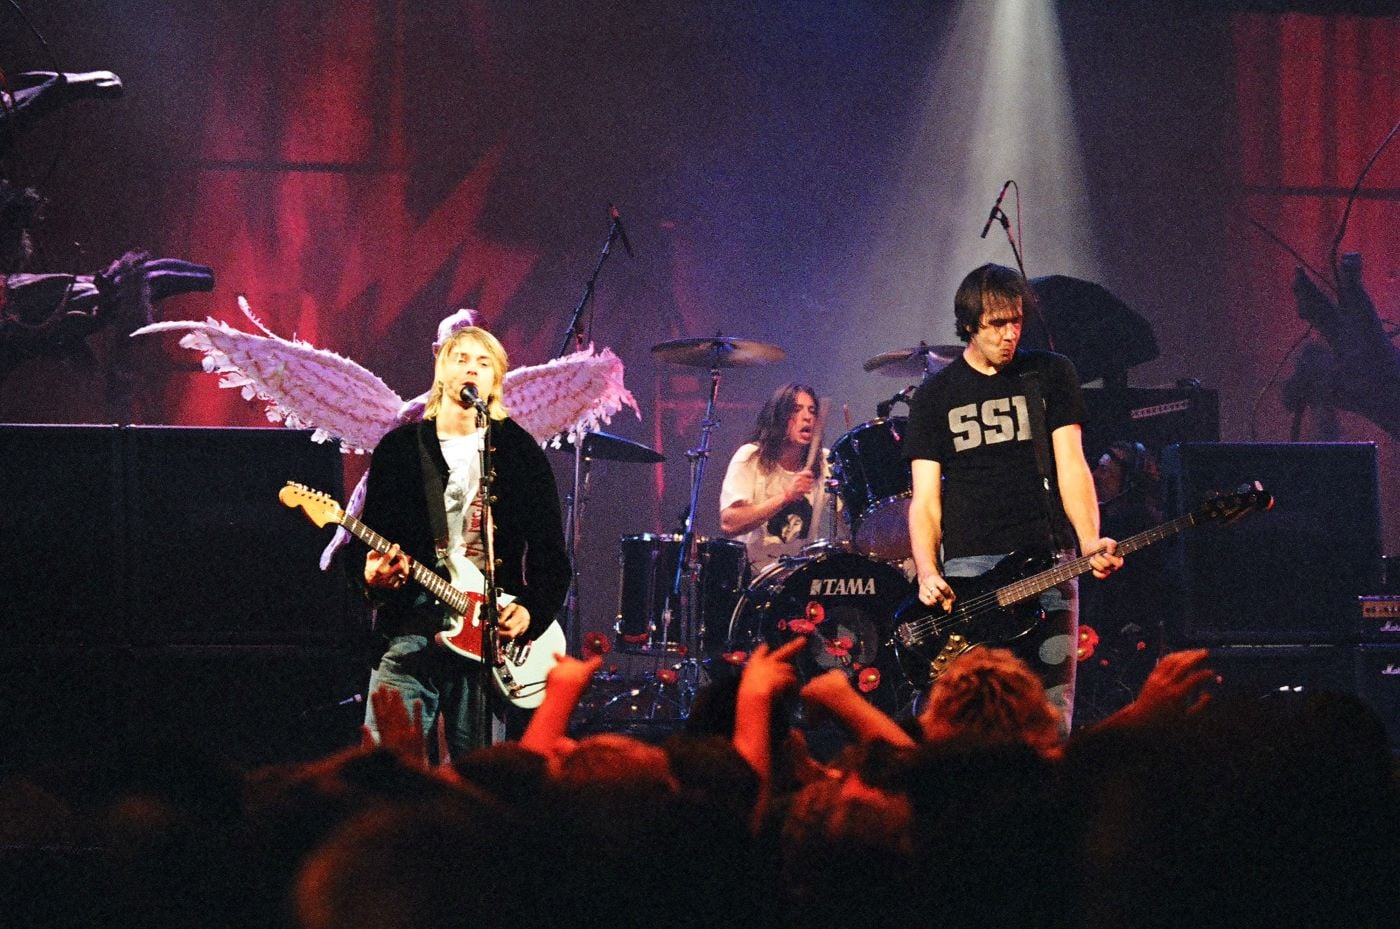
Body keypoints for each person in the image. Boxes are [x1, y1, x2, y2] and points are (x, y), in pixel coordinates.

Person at [905, 264, 1122, 731]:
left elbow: (1072, 465)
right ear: (968, 324)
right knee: (971, 719)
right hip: (969, 569)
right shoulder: (934, 396)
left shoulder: (1050, 373)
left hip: (1049, 559)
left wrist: (1089, 540)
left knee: (1051, 712)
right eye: (996, 324)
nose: (1010, 335)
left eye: (1016, 321)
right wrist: (926, 570)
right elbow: (925, 500)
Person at [355, 324, 570, 757]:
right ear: (441, 371)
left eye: (483, 363)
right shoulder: (400, 449)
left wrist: (531, 610)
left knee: (480, 775)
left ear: (495, 380)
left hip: (487, 635)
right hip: (410, 626)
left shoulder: (519, 452)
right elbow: (369, 538)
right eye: (461, 359)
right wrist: (371, 574)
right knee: (384, 767)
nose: (471, 369)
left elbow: (551, 554)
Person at [719, 382, 834, 567]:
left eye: (812, 411)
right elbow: (729, 523)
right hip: (753, 575)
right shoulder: (750, 457)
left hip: (800, 575)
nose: (807, 417)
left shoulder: (825, 462)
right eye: (796, 409)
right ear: (779, 416)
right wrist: (786, 496)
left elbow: (850, 519)